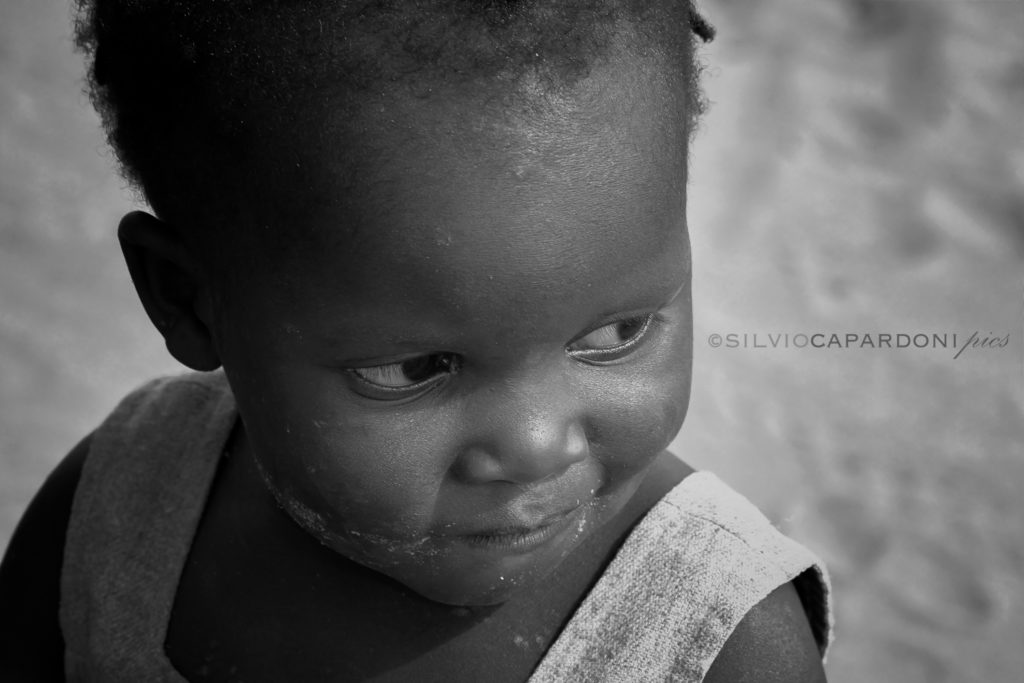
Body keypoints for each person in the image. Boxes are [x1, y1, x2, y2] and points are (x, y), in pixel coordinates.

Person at [0, 1, 832, 680]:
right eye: (414, 369)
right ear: (186, 300)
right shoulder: (120, 511)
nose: (537, 446)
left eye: (616, 333)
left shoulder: (719, 645)